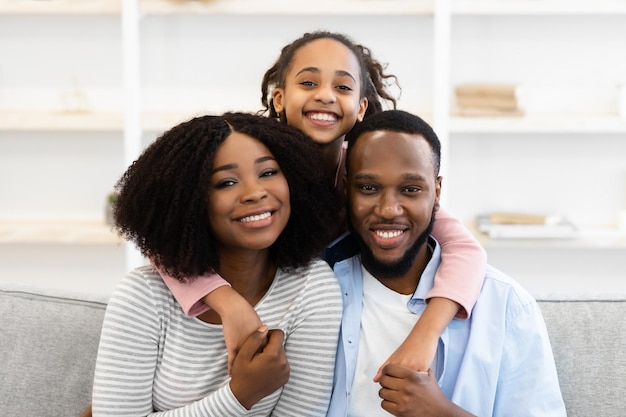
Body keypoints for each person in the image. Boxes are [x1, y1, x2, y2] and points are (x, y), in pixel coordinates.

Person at [160, 31, 488, 381]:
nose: (325, 95)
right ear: (280, 98)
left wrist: (426, 332)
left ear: (361, 107)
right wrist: (227, 302)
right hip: (238, 321)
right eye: (309, 82)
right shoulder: (254, 167)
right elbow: (168, 236)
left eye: (343, 87)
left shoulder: (373, 175)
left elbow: (465, 248)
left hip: (316, 330)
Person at [90, 112, 343, 416]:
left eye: (268, 173)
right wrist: (239, 397)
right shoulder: (142, 296)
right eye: (226, 182)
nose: (255, 192)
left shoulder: (312, 287)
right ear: (188, 201)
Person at [326, 109, 566, 416]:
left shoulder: (506, 306)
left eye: (410, 189)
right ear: (346, 190)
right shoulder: (319, 290)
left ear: (437, 193)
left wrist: (441, 412)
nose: (388, 209)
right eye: (369, 188)